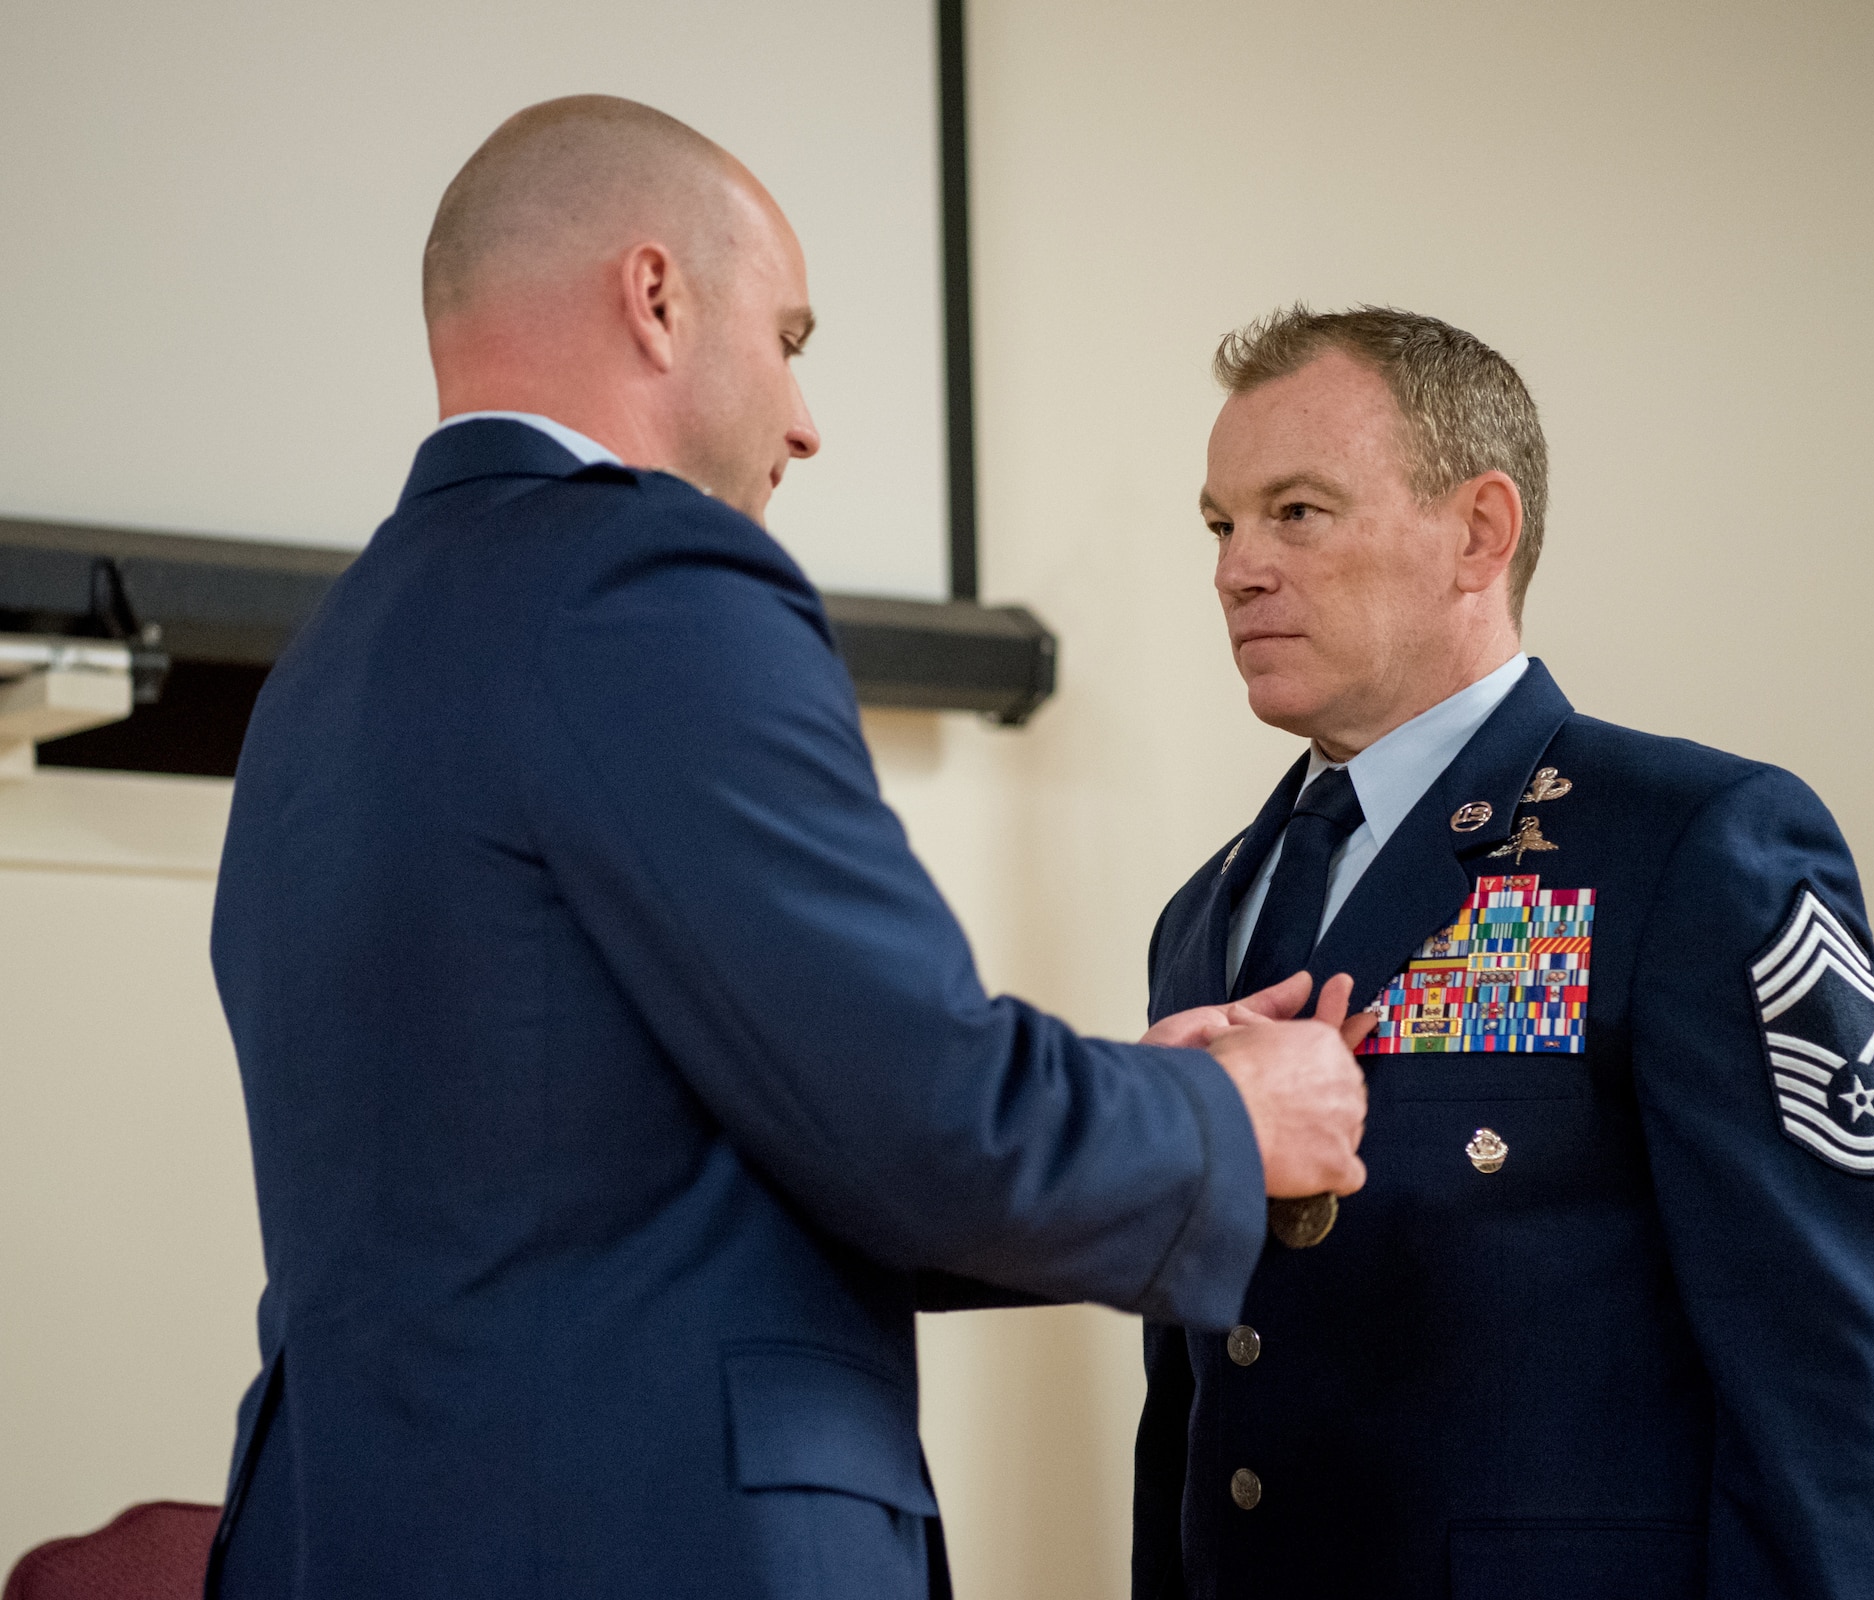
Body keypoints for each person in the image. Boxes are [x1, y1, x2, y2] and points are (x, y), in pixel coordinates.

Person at [204, 98, 1372, 1600]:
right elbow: (922, 1121)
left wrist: (1141, 1091)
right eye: (792, 339)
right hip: (646, 1544)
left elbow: (667, 1175)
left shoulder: (327, 667)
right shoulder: (651, 579)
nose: (808, 421)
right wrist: (1228, 1117)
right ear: (655, 298)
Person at [1131, 306, 1874, 1600]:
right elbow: (1200, 1395)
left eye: (1297, 511)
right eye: (1220, 523)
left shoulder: (1685, 848)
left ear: (1479, 532)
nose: (1238, 567)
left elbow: (1841, 1370)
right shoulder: (1209, 912)